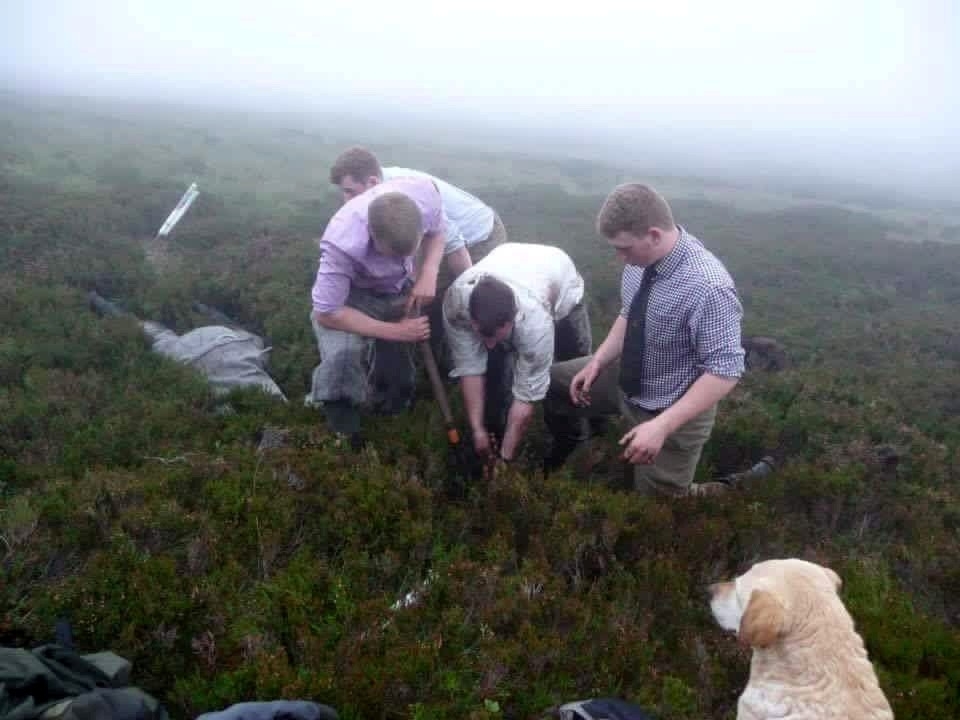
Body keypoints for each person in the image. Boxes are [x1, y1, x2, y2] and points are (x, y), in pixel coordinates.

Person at [544, 183, 745, 496]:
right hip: (625, 379)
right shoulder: (640, 264)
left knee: (658, 507)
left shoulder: (709, 287)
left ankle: (729, 489)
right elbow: (630, 313)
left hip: (670, 405)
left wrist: (661, 426)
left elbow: (724, 371)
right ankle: (580, 447)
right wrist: (597, 362)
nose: (621, 258)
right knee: (546, 383)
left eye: (625, 248)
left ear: (654, 235)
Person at [329, 146, 507, 370]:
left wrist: (465, 291)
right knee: (417, 296)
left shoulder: (404, 195)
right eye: (343, 192)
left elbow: (453, 242)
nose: (347, 200)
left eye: (351, 191)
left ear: (372, 182)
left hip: (480, 237)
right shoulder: (376, 196)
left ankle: (478, 362)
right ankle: (429, 358)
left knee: (461, 303)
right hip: (437, 238)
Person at [306, 177, 446, 447]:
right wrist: (397, 331)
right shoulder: (341, 243)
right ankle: (344, 432)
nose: (400, 261)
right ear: (372, 235)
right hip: (352, 296)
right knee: (343, 358)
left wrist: (428, 273)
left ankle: (389, 418)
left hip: (396, 290)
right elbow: (328, 313)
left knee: (398, 373)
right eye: (392, 254)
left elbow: (439, 232)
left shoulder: (425, 196)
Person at [442, 242, 592, 468]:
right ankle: (493, 435)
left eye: (496, 337)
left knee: (574, 378)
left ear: (513, 319)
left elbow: (525, 399)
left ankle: (572, 445)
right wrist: (477, 430)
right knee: (497, 376)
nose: (490, 345)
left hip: (561, 280)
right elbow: (470, 369)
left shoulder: (535, 325)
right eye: (483, 335)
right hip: (508, 257)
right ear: (471, 320)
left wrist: (505, 459)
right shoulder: (456, 305)